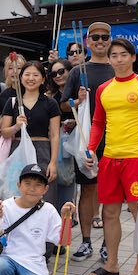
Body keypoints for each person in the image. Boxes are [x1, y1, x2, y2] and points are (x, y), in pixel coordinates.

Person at [85, 38, 138, 275]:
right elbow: (98, 122)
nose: (119, 59)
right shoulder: (103, 89)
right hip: (109, 159)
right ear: (109, 59)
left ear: (133, 57)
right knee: (109, 213)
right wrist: (91, 148)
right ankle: (112, 265)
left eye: (123, 55)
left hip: (135, 159)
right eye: (114, 55)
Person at [0, 163, 75, 275]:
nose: (32, 188)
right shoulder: (6, 206)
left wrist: (66, 219)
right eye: (27, 183)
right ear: (19, 185)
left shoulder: (48, 210)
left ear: (45, 189)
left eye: (38, 185)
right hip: (9, 258)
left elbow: (63, 242)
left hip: (34, 264)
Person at [60, 22, 115, 261]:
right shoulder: (77, 71)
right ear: (88, 41)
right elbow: (64, 105)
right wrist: (78, 101)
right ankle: (85, 241)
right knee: (88, 190)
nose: (100, 41)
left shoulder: (118, 68)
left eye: (104, 37)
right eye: (95, 37)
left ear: (110, 40)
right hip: (87, 140)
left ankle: (107, 243)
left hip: (115, 139)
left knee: (110, 192)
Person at [0, 62, 62, 205]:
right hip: (18, 150)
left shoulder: (50, 103)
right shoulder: (12, 102)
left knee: (44, 194)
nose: (31, 78)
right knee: (16, 193)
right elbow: (4, 132)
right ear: (21, 78)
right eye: (27, 75)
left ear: (43, 79)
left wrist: (53, 162)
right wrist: (16, 126)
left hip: (43, 151)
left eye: (35, 75)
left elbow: (54, 135)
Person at [48, 58, 76, 214]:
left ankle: (72, 215)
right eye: (53, 74)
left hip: (80, 141)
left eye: (61, 71)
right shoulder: (50, 96)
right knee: (62, 180)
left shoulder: (79, 92)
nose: (58, 76)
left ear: (70, 71)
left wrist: (76, 123)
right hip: (59, 144)